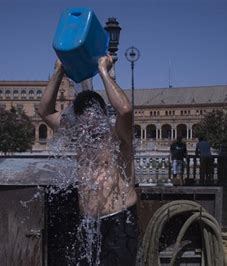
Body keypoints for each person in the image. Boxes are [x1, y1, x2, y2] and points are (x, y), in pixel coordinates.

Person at [38, 56, 138, 265]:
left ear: (103, 115)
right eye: (83, 118)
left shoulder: (119, 135)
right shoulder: (78, 135)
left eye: (93, 117)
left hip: (118, 220)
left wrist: (104, 71)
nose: (88, 125)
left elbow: (125, 110)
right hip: (87, 223)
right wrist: (59, 71)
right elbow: (45, 111)